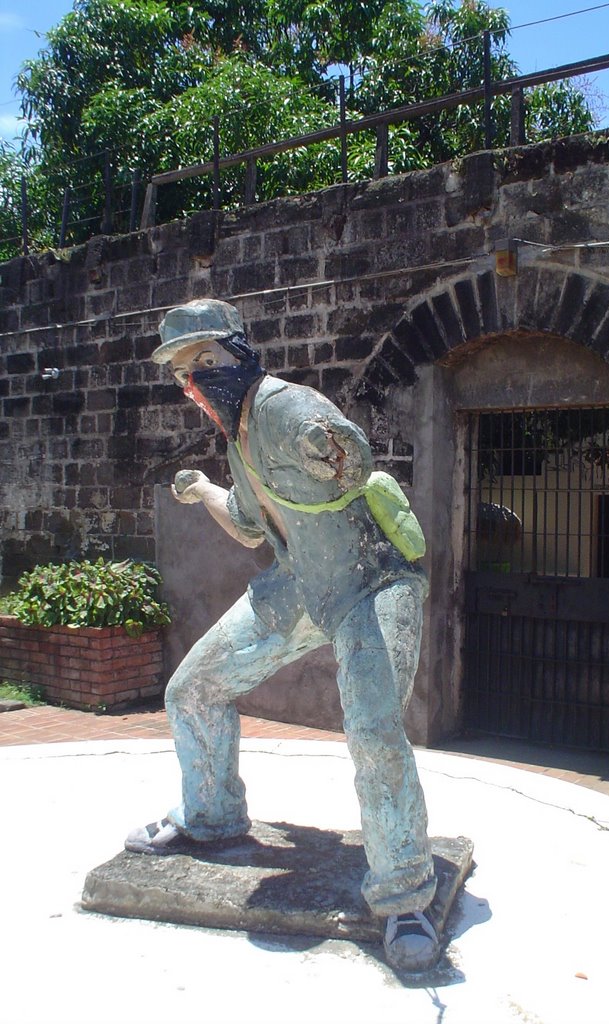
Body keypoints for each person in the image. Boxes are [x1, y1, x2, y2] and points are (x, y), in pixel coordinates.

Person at [125, 298, 439, 972]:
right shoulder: (236, 436)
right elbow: (247, 526)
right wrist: (206, 489)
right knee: (195, 690)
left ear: (240, 353)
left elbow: (347, 453)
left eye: (207, 360)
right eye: (185, 371)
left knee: (376, 729)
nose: (197, 378)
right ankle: (210, 818)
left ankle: (403, 894)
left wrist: (328, 448)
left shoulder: (282, 406)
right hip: (298, 583)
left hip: (372, 582)